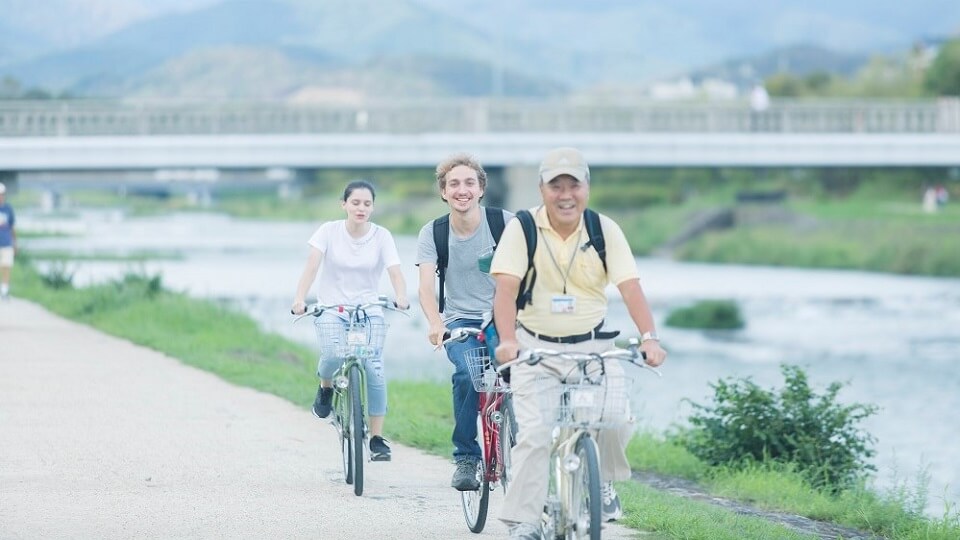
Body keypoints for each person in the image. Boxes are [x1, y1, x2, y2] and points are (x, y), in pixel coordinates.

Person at [490, 147, 667, 539]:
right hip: (535, 349)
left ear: (586, 188)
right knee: (535, 435)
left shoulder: (604, 229)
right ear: (542, 189)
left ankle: (601, 481)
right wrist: (507, 341)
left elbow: (631, 288)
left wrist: (650, 339)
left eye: (574, 185)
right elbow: (505, 291)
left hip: (594, 348)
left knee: (616, 419)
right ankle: (526, 521)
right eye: (557, 186)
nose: (566, 194)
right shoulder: (523, 227)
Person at [291, 180, 409, 462]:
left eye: (367, 204)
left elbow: (395, 271)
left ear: (373, 207)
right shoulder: (328, 231)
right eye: (355, 202)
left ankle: (377, 439)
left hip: (369, 309)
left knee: (374, 367)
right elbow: (312, 265)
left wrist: (401, 296)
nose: (361, 208)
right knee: (332, 354)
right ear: (344, 204)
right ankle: (325, 389)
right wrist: (300, 298)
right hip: (333, 308)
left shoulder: (382, 236)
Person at [416, 153, 514, 490]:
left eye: (469, 183)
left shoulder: (506, 224)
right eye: (454, 184)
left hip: (505, 315)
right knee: (465, 375)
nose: (462, 190)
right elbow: (426, 288)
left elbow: (531, 274)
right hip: (460, 320)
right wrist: (434, 322)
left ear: (481, 189)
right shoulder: (434, 232)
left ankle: (522, 439)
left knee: (523, 371)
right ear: (443, 192)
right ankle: (467, 457)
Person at [0, 182, 16, 300]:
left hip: (7, 243)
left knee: (6, 267)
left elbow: (12, 227)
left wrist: (15, 243)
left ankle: (4, 291)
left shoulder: (8, 209)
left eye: (2, 194)